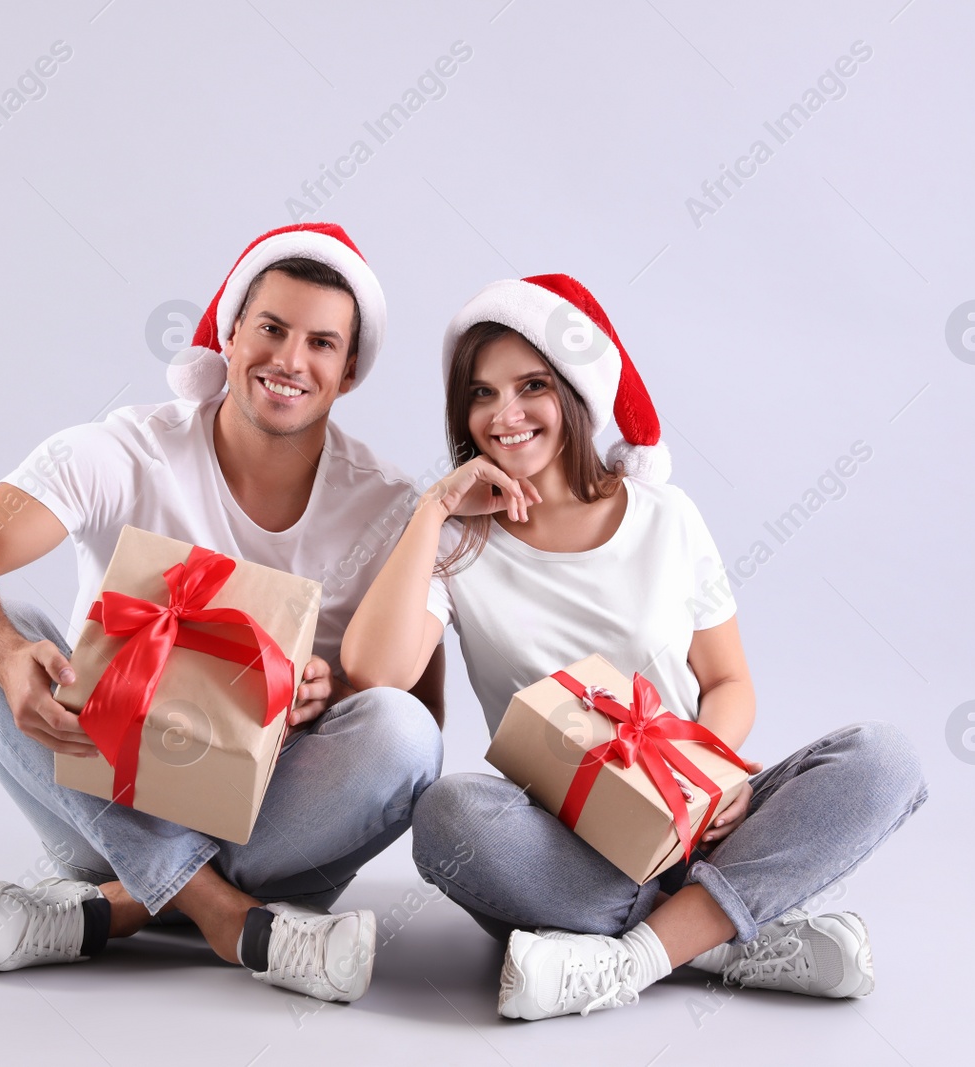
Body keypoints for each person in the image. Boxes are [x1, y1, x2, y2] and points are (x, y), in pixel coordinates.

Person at [341, 274, 928, 1020]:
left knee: (883, 756)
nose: (505, 414)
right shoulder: (456, 545)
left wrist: (705, 778)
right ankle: (721, 936)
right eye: (481, 394)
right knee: (447, 813)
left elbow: (729, 680)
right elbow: (373, 672)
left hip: (703, 815)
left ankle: (627, 958)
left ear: (577, 396)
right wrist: (432, 509)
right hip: (566, 848)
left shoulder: (664, 515)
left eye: (532, 387)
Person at [0, 223, 445, 1005]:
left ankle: (122, 906)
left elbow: (420, 725)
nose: (291, 360)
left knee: (402, 730)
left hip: (276, 825)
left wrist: (340, 693)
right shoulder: (125, 450)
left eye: (322, 342)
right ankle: (233, 920)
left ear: (349, 369)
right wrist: (3, 654)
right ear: (228, 332)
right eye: (272, 328)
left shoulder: (387, 507)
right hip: (105, 803)